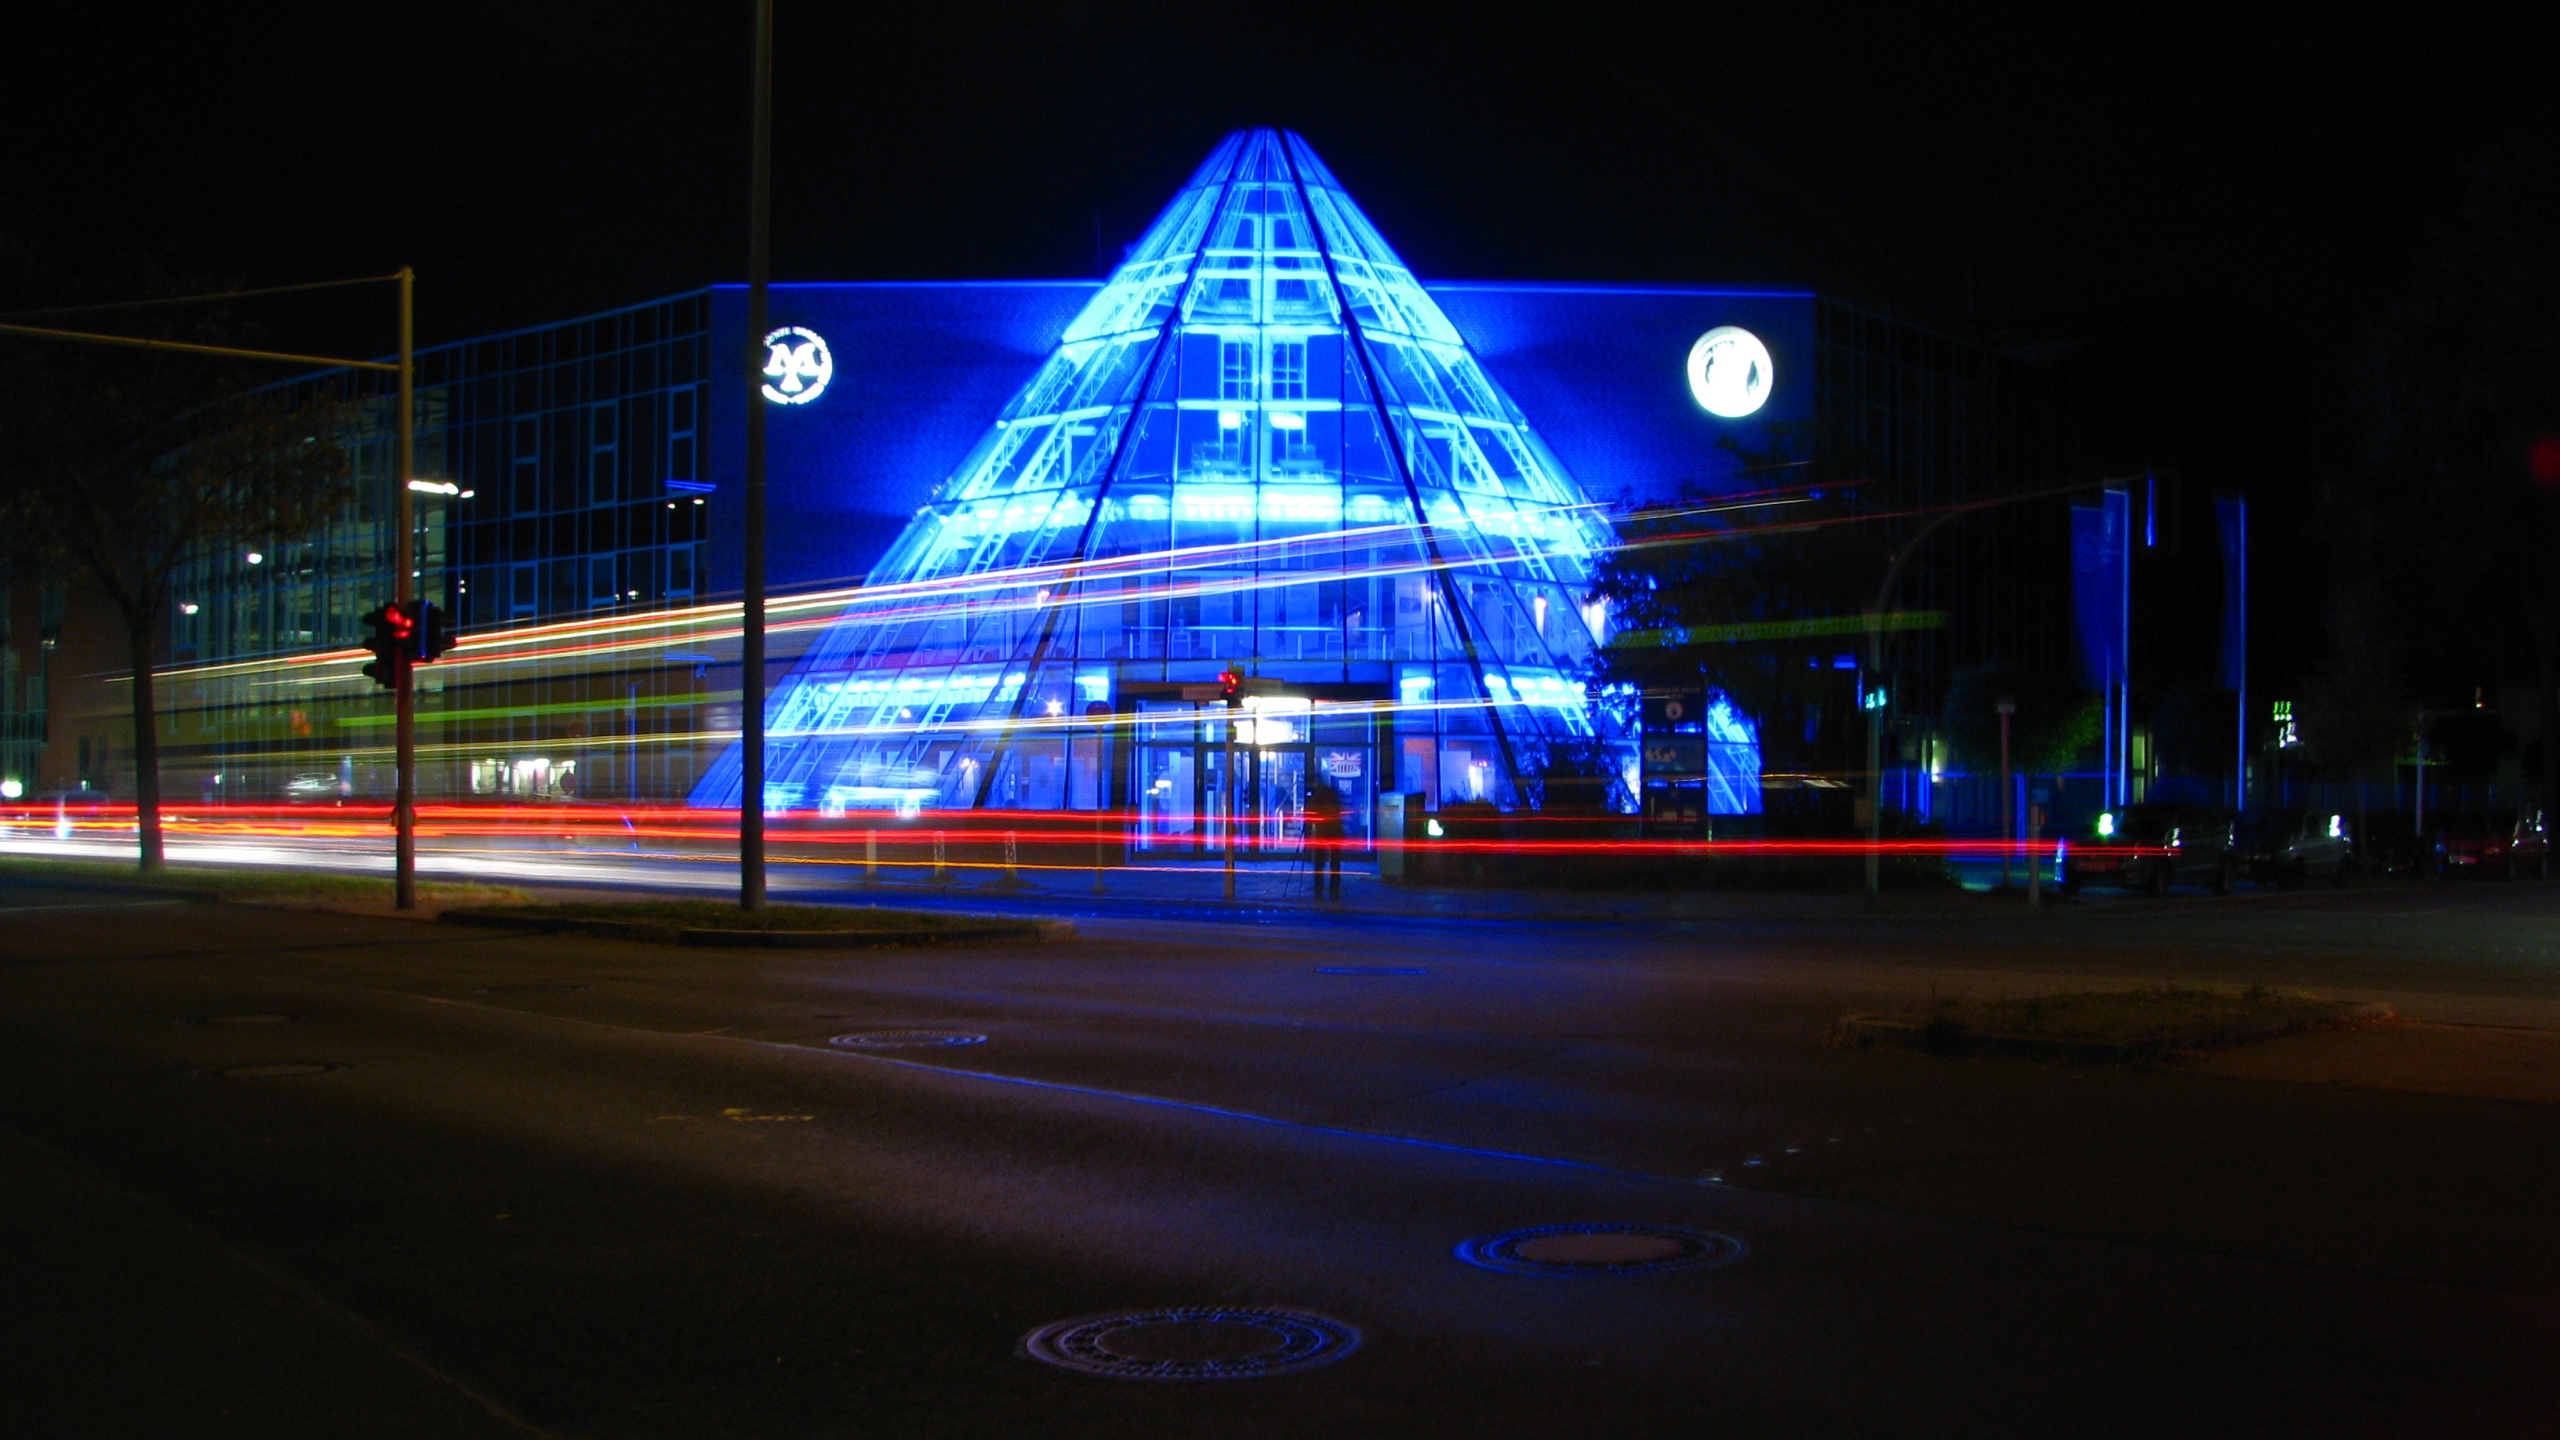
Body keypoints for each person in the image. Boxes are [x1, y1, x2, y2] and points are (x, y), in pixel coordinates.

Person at [1305, 779, 1346, 900]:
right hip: (1335, 831)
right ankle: (1335, 889)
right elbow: (1339, 812)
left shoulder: (1317, 798)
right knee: (1335, 863)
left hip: (1322, 832)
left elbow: (1311, 815)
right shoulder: (1334, 796)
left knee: (1319, 863)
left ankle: (1319, 889)